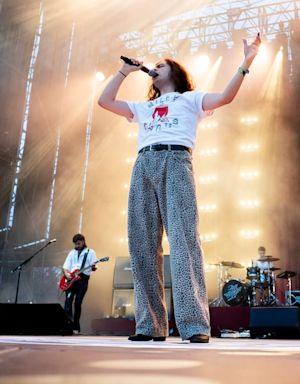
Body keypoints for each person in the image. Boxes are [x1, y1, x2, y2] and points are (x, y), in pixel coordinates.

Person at [98, 34, 261, 343]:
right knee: (142, 245)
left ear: (174, 72)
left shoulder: (191, 99)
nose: (155, 67)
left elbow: (226, 96)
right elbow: (104, 101)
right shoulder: (144, 107)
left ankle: (194, 324)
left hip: (176, 160)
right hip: (144, 164)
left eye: (161, 64)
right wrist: (125, 72)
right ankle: (150, 325)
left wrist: (247, 60)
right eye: (154, 65)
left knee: (184, 241)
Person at [62, 233, 98, 334]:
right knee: (68, 301)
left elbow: (94, 266)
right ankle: (67, 326)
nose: (77, 246)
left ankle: (76, 327)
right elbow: (65, 267)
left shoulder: (90, 252)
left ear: (83, 241)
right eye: (75, 244)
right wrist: (67, 274)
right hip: (71, 279)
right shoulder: (72, 253)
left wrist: (93, 266)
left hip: (83, 280)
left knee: (77, 303)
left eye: (78, 243)